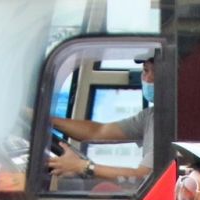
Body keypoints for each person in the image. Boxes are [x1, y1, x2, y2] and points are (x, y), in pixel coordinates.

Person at [48, 56, 155, 184]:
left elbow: (142, 177)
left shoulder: (171, 123)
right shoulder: (151, 116)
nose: (148, 79)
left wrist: (81, 166)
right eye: (146, 70)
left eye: (157, 73)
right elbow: (97, 131)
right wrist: (48, 121)